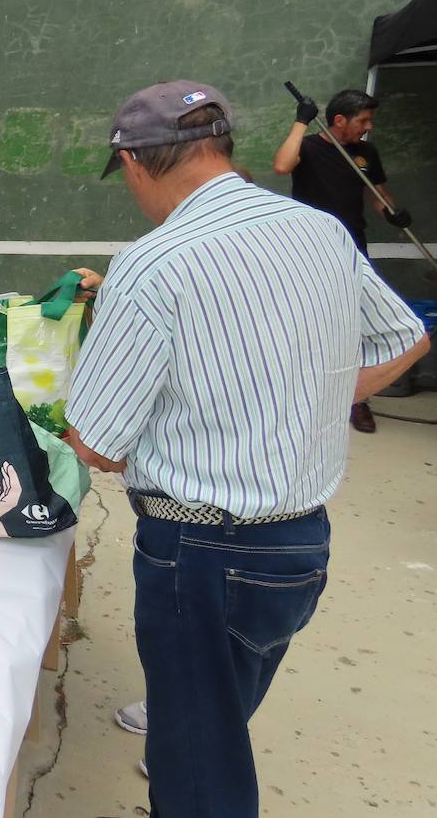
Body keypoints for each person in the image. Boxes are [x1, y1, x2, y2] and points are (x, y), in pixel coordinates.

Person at [65, 81, 428, 818]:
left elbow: (96, 443)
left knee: (202, 779)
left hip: (198, 551)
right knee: (215, 722)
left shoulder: (152, 262)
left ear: (136, 163)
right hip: (300, 546)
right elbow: (408, 336)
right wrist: (315, 397)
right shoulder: (322, 231)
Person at [272, 88, 412, 432]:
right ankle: (295, 394)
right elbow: (281, 166)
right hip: (307, 249)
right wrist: (300, 123)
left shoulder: (366, 153)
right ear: (339, 120)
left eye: (369, 120)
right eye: (362, 120)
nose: (367, 126)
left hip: (352, 246)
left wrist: (391, 212)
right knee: (304, 319)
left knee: (352, 321)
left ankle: (357, 399)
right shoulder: (308, 147)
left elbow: (378, 193)